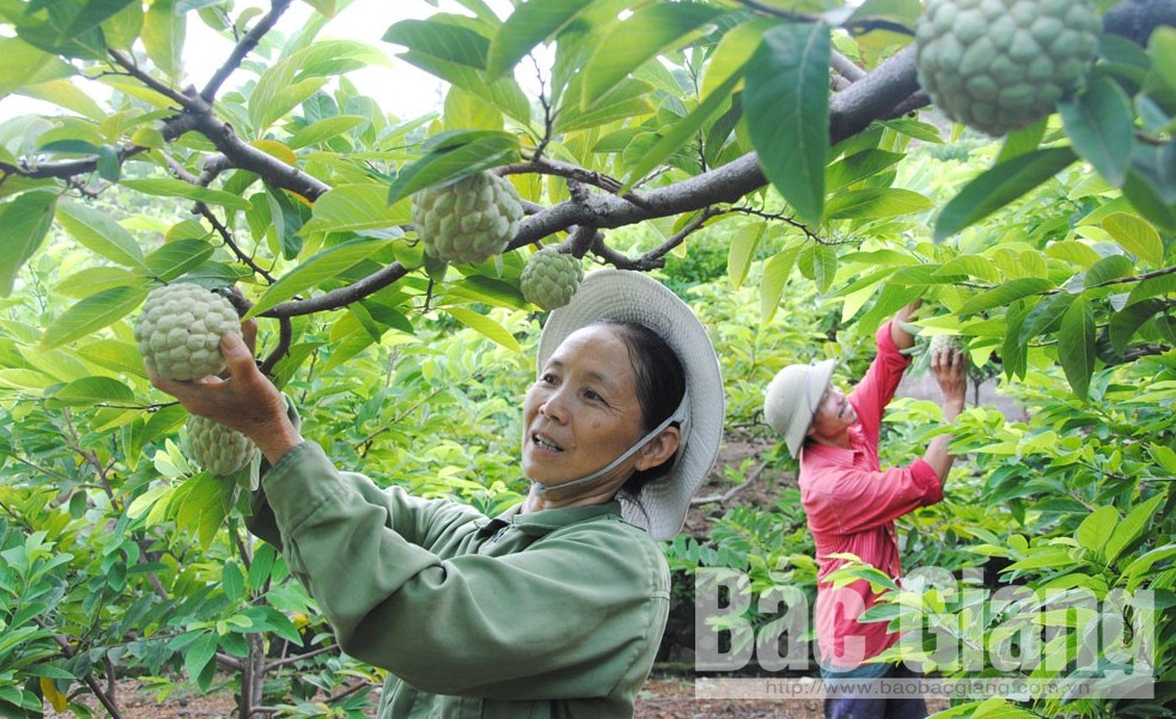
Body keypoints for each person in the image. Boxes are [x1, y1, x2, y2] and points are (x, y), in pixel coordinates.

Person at [151, 269, 724, 719]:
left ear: (654, 447)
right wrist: (253, 405)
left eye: (593, 396)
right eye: (550, 378)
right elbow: (331, 503)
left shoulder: (617, 571)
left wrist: (271, 429)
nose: (551, 406)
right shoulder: (477, 534)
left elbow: (422, 620)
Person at [762, 301, 968, 719]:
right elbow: (924, 481)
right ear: (810, 430)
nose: (839, 395)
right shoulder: (829, 486)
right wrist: (954, 402)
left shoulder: (847, 429)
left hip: (892, 627)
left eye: (833, 387)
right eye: (824, 398)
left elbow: (888, 360)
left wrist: (918, 293)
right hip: (857, 645)